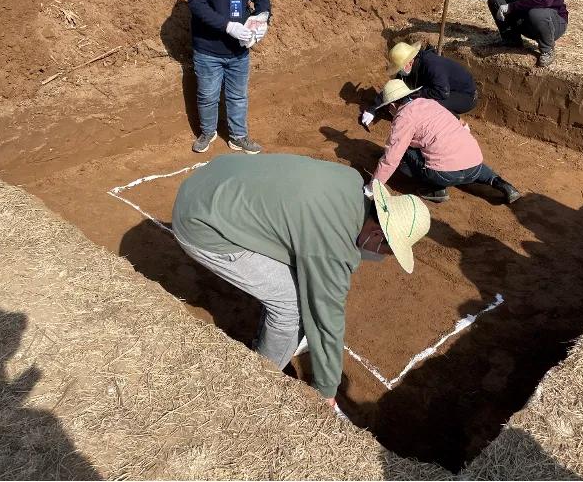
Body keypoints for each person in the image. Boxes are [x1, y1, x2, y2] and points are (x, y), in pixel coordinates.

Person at [171, 153, 430, 408]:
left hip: (212, 179)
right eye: (388, 251)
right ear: (377, 233)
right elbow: (326, 317)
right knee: (292, 305)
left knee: (303, 274)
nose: (382, 257)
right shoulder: (331, 246)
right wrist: (326, 389)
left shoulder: (350, 181)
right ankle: (257, 378)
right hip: (200, 224)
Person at [185, 0, 270, 154]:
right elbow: (198, 6)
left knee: (238, 96)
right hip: (209, 49)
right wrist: (228, 26)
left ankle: (238, 136)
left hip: (238, 49)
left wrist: (262, 17)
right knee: (208, 95)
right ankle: (208, 132)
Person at [365, 79, 521, 204]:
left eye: (387, 108)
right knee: (469, 161)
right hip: (475, 164)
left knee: (403, 152)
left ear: (392, 105)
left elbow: (391, 158)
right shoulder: (430, 103)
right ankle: (502, 184)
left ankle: (436, 189)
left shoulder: (404, 117)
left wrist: (372, 188)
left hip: (445, 175)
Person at [360, 40, 477, 127]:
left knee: (427, 105)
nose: (399, 72)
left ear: (409, 62)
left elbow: (442, 93)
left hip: (466, 96)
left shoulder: (432, 65)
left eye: (399, 68)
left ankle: (461, 126)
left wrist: (417, 95)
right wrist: (373, 108)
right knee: (417, 99)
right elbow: (396, 88)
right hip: (445, 90)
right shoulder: (411, 66)